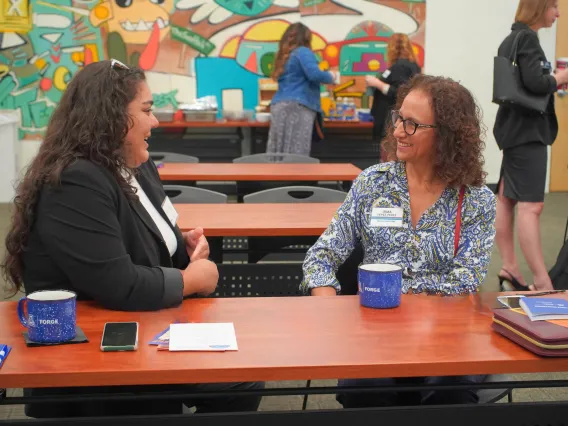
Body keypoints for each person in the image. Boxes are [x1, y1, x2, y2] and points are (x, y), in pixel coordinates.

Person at [1, 59, 263, 418]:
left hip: (143, 323)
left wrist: (181, 247)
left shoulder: (135, 164)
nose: (155, 121)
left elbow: (147, 236)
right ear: (110, 117)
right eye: (147, 110)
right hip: (93, 351)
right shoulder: (76, 181)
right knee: (240, 383)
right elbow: (118, 283)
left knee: (244, 374)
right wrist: (191, 278)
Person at [302, 75, 496, 407]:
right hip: (376, 335)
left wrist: (398, 295)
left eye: (412, 125)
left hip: (445, 333)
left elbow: (466, 278)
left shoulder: (476, 200)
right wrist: (327, 303)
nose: (396, 132)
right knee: (366, 390)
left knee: (448, 393)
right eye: (398, 119)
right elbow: (321, 257)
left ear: (447, 136)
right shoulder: (373, 184)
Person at [493, 0, 568, 291]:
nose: (558, 14)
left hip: (513, 132)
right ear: (540, 8)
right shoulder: (528, 39)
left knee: (507, 199)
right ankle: (542, 281)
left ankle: (510, 268)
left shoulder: (510, 39)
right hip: (528, 133)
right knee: (531, 206)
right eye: (554, 7)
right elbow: (536, 84)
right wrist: (560, 78)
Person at [266, 22, 336, 156]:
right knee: (297, 153)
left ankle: (275, 176)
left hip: (279, 106)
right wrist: (331, 76)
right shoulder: (303, 51)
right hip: (298, 107)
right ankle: (295, 177)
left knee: (277, 151)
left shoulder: (284, 55)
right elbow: (314, 74)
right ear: (306, 38)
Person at [366, 33, 421, 148]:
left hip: (390, 117)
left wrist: (377, 83)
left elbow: (399, 92)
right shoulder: (410, 65)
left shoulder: (400, 67)